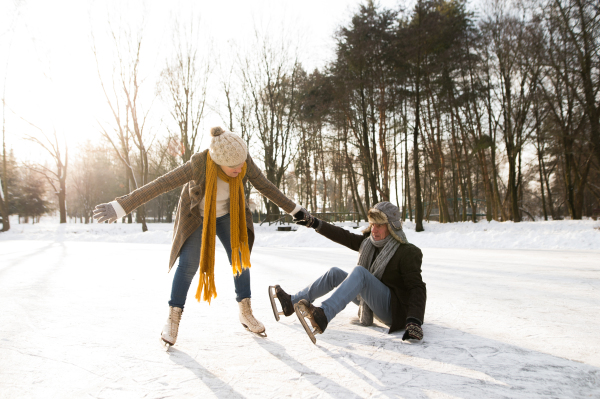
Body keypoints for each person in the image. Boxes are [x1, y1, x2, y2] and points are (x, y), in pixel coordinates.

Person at [93, 127, 301, 346]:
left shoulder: (242, 160)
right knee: (188, 264)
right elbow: (160, 184)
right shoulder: (199, 165)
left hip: (228, 215)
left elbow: (267, 187)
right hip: (198, 216)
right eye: (234, 166)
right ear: (219, 160)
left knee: (240, 258)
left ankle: (245, 311)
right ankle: (173, 319)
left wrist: (296, 210)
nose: (241, 169)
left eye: (242, 164)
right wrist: (121, 206)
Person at [270, 201, 426, 343]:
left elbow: (417, 287)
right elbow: (343, 235)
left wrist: (414, 321)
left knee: (360, 273)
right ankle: (291, 303)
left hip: (391, 310)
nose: (374, 230)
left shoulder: (407, 252)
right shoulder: (368, 243)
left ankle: (324, 314)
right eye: (372, 224)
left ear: (392, 226)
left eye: (380, 225)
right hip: (370, 303)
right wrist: (314, 222)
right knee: (335, 273)